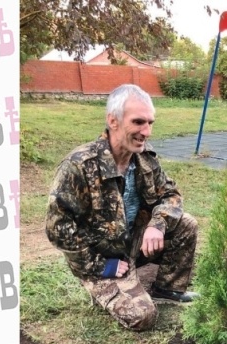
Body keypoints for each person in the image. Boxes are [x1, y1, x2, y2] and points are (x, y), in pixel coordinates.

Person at [45, 84, 199, 331]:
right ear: (113, 121)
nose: (146, 131)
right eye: (138, 122)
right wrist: (100, 266)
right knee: (142, 316)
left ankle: (167, 288)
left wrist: (157, 226)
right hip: (103, 258)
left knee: (186, 224)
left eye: (150, 122)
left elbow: (170, 195)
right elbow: (58, 228)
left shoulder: (144, 158)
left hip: (132, 245)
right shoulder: (80, 166)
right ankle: (102, 288)